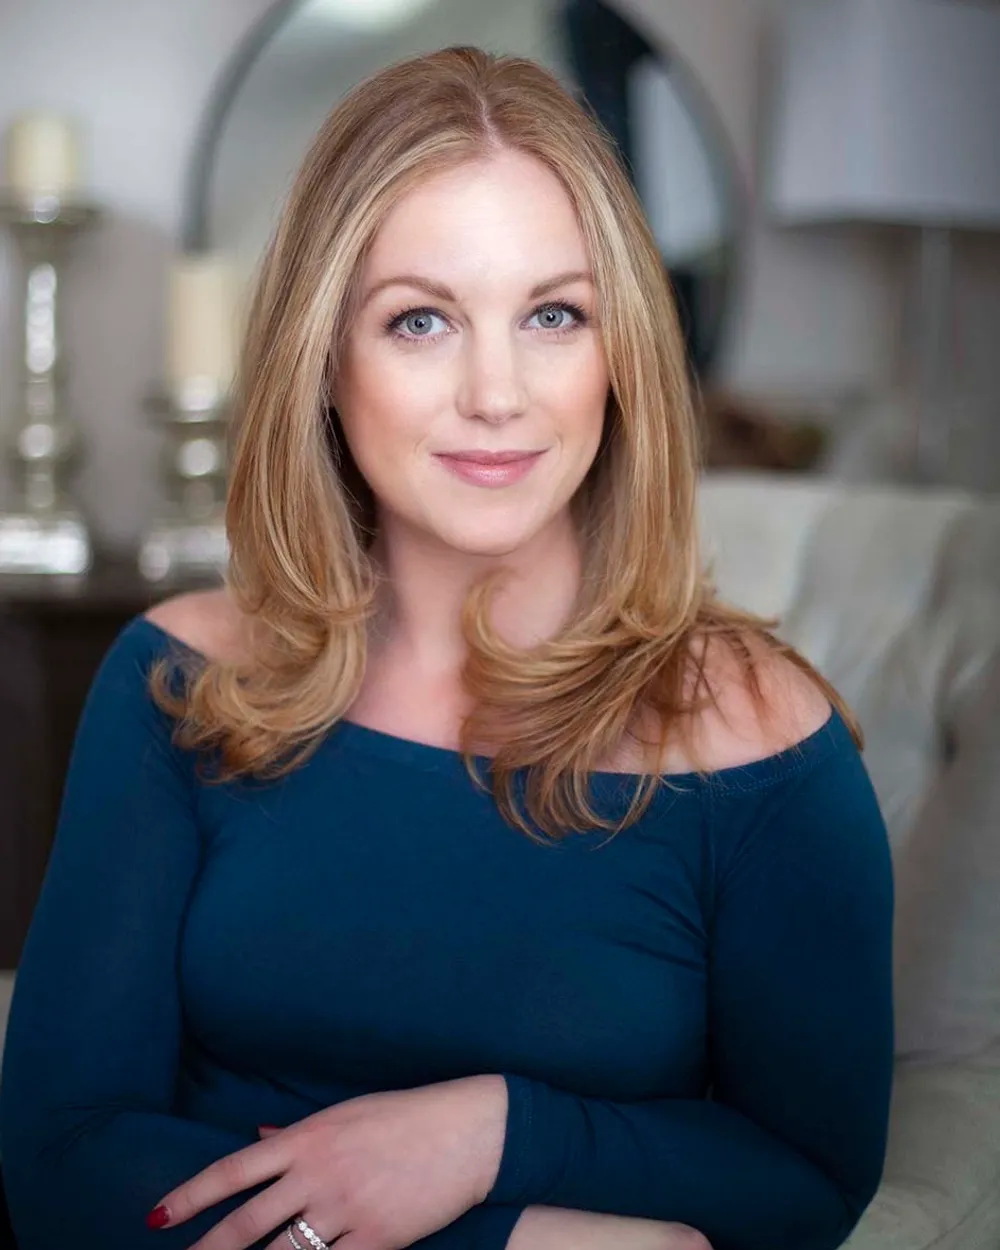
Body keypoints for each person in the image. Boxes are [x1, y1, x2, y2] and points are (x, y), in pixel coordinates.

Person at [0, 45, 894, 1250]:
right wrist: (510, 1236)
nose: (495, 391)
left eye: (553, 314)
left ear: (620, 353)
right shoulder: (178, 680)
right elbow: (63, 1160)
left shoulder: (759, 740)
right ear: (325, 358)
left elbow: (806, 1178)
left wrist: (494, 1133)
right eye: (419, 320)